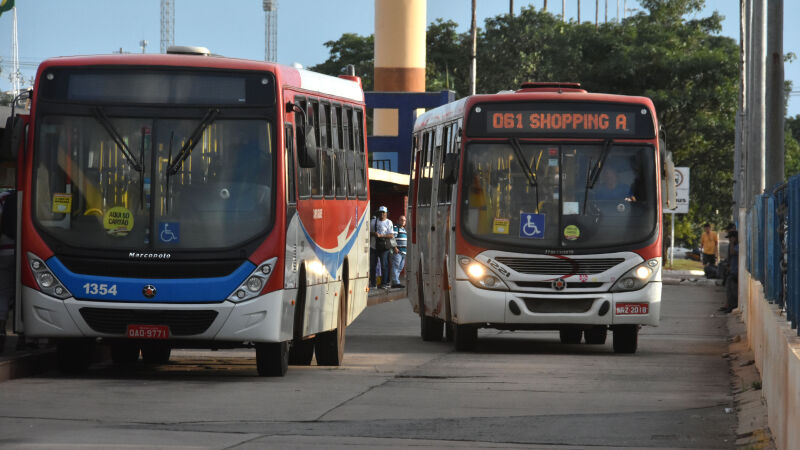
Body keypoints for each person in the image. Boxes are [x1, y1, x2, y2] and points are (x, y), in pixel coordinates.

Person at [0, 190, 15, 353]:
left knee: (2, 293)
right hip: (30, 251)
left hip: (4, 251)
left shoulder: (3, 198)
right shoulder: (36, 194)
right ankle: (29, 338)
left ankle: (1, 331)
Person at [373, 206, 394, 289]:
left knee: (384, 265)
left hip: (385, 247)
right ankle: (374, 282)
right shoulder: (374, 222)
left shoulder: (389, 222)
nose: (382, 214)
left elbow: (391, 235)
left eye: (383, 212)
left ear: (386, 214)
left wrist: (381, 235)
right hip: (375, 246)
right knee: (374, 265)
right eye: (380, 212)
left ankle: (384, 283)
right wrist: (374, 234)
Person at [721, 229, 739, 313]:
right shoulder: (734, 245)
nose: (729, 240)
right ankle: (727, 305)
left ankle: (730, 306)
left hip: (736, 272)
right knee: (728, 289)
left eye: (730, 238)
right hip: (732, 270)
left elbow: (732, 252)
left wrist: (731, 243)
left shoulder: (737, 246)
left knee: (733, 291)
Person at [391, 215, 407, 289]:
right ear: (398, 221)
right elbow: (392, 238)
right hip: (398, 251)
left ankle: (395, 281)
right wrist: (395, 248)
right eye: (401, 220)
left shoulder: (404, 229)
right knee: (396, 266)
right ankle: (396, 282)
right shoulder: (396, 228)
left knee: (400, 267)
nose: (403, 221)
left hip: (404, 252)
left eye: (404, 220)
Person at [368, 215, 378, 288]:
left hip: (374, 247)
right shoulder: (372, 222)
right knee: (384, 266)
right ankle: (383, 283)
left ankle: (374, 283)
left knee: (373, 266)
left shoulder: (371, 222)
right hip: (374, 247)